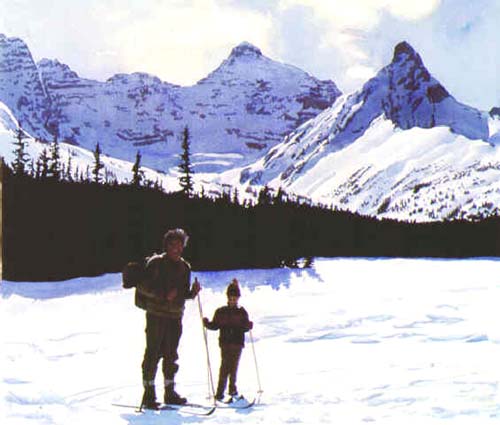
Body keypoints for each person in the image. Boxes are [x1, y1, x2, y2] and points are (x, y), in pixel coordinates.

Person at [137, 228, 201, 409]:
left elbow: (182, 293)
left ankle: (169, 392)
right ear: (166, 246)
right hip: (156, 316)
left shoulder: (185, 267)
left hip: (175, 317)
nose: (176, 249)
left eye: (180, 245)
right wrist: (163, 294)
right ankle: (149, 395)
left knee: (171, 355)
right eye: (173, 245)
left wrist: (193, 293)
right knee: (153, 354)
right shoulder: (156, 263)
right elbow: (141, 286)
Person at [203, 279, 253, 401]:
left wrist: (249, 326)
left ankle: (232, 389)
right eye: (231, 298)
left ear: (238, 298)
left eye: (235, 298)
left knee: (234, 366)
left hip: (237, 343)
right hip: (225, 343)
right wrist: (207, 324)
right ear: (227, 298)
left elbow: (245, 327)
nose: (233, 301)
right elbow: (215, 325)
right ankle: (220, 392)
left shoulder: (241, 312)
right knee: (225, 366)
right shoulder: (221, 311)